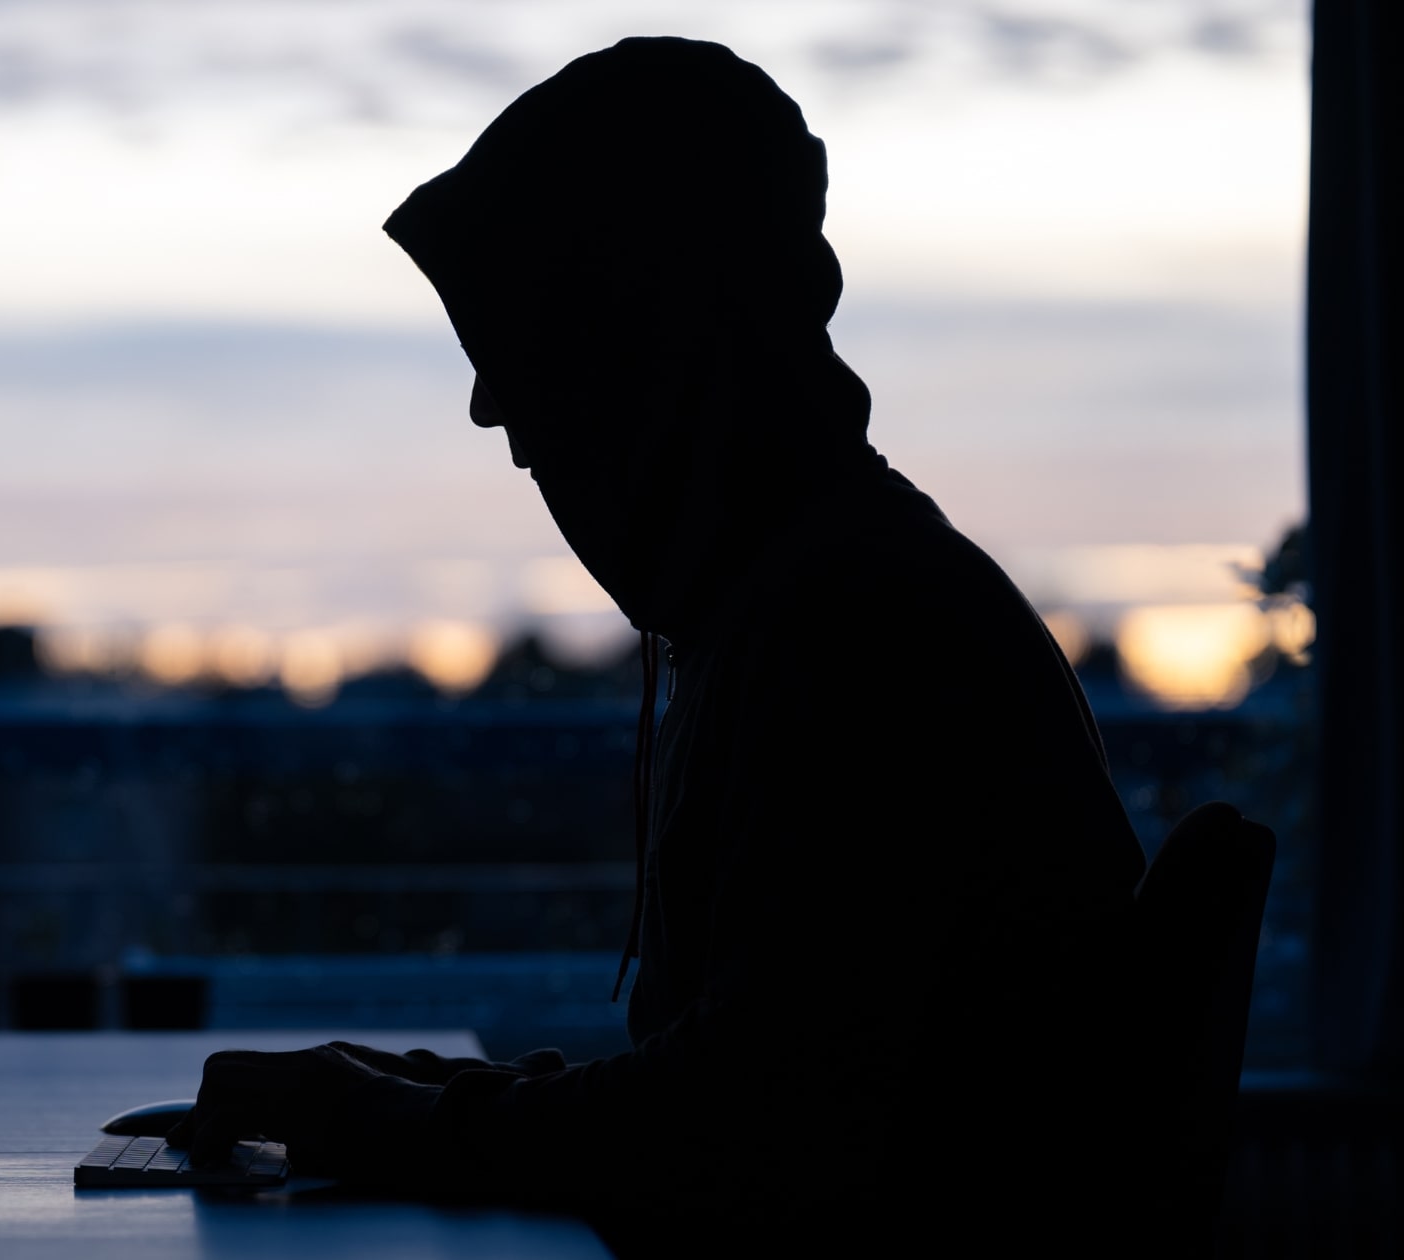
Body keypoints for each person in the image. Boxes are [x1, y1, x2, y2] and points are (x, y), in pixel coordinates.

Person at [167, 37, 1150, 1250]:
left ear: (662, 357)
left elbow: (741, 1131)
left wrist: (386, 1116)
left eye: (545, 401)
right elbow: (750, 1071)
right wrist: (413, 1094)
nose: (510, 434)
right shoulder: (833, 598)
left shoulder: (855, 643)